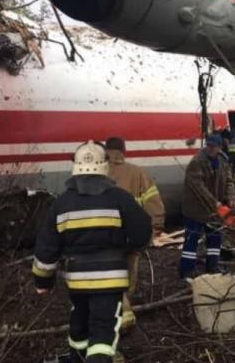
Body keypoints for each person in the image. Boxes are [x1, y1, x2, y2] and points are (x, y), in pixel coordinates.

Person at [32, 141, 151, 363]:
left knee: (80, 318)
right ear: (104, 165)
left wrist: (43, 282)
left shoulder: (62, 203)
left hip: (77, 281)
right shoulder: (119, 197)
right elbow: (142, 232)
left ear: (74, 166)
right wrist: (126, 247)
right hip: (110, 280)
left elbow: (46, 247)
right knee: (104, 330)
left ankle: (77, 357)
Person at [104, 136, 165, 331]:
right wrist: (155, 228)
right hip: (131, 237)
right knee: (129, 277)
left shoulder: (98, 174)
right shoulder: (138, 173)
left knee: (107, 277)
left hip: (103, 239)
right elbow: (154, 203)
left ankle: (112, 314)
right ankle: (124, 312)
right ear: (124, 151)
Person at [180, 134, 235, 280]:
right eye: (209, 146)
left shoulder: (223, 160)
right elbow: (199, 188)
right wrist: (216, 204)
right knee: (192, 240)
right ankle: (186, 270)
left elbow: (229, 180)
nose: (210, 149)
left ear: (219, 147)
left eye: (214, 146)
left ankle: (213, 265)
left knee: (215, 238)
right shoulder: (197, 162)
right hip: (196, 209)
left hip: (214, 209)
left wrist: (230, 198)